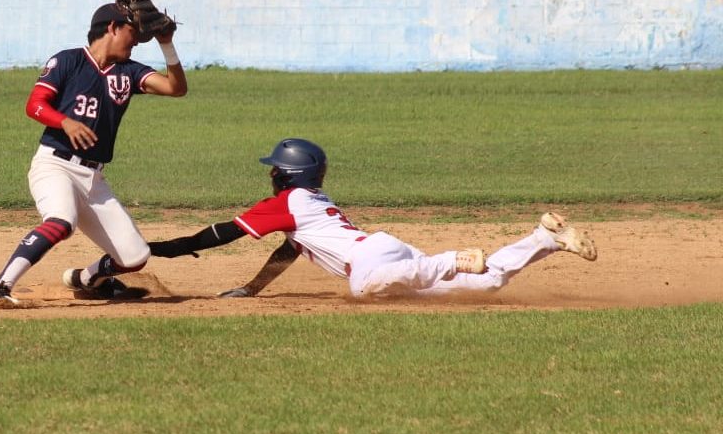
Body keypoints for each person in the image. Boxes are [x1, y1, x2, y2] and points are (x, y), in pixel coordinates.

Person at [147, 138, 598, 299]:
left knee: (362, 289)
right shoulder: (314, 205)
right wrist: (251, 288)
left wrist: (159, 249)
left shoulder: (288, 203)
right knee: (487, 282)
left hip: (373, 262)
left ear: (287, 174)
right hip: (388, 251)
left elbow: (216, 235)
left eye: (275, 168)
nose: (271, 173)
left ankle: (449, 260)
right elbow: (287, 252)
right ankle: (544, 237)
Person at [0, 0, 189, 304]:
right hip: (55, 165)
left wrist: (166, 44)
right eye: (133, 33)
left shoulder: (127, 72)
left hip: (94, 179)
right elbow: (34, 105)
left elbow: (176, 88)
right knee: (62, 221)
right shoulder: (68, 61)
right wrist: (65, 123)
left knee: (135, 256)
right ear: (113, 28)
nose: (138, 42)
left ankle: (87, 280)